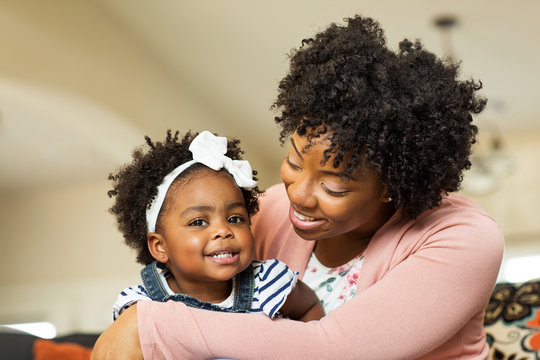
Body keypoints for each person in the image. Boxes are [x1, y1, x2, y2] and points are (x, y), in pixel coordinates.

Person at [91, 15, 504, 359]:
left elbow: (333, 350)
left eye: (335, 186)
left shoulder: (463, 237)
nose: (299, 195)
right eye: (293, 161)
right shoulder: (265, 211)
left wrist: (151, 323)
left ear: (392, 185)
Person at [107, 130, 324, 322]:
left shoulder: (268, 283)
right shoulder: (142, 305)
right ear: (159, 246)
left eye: (235, 219)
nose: (223, 230)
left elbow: (310, 308)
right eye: (199, 222)